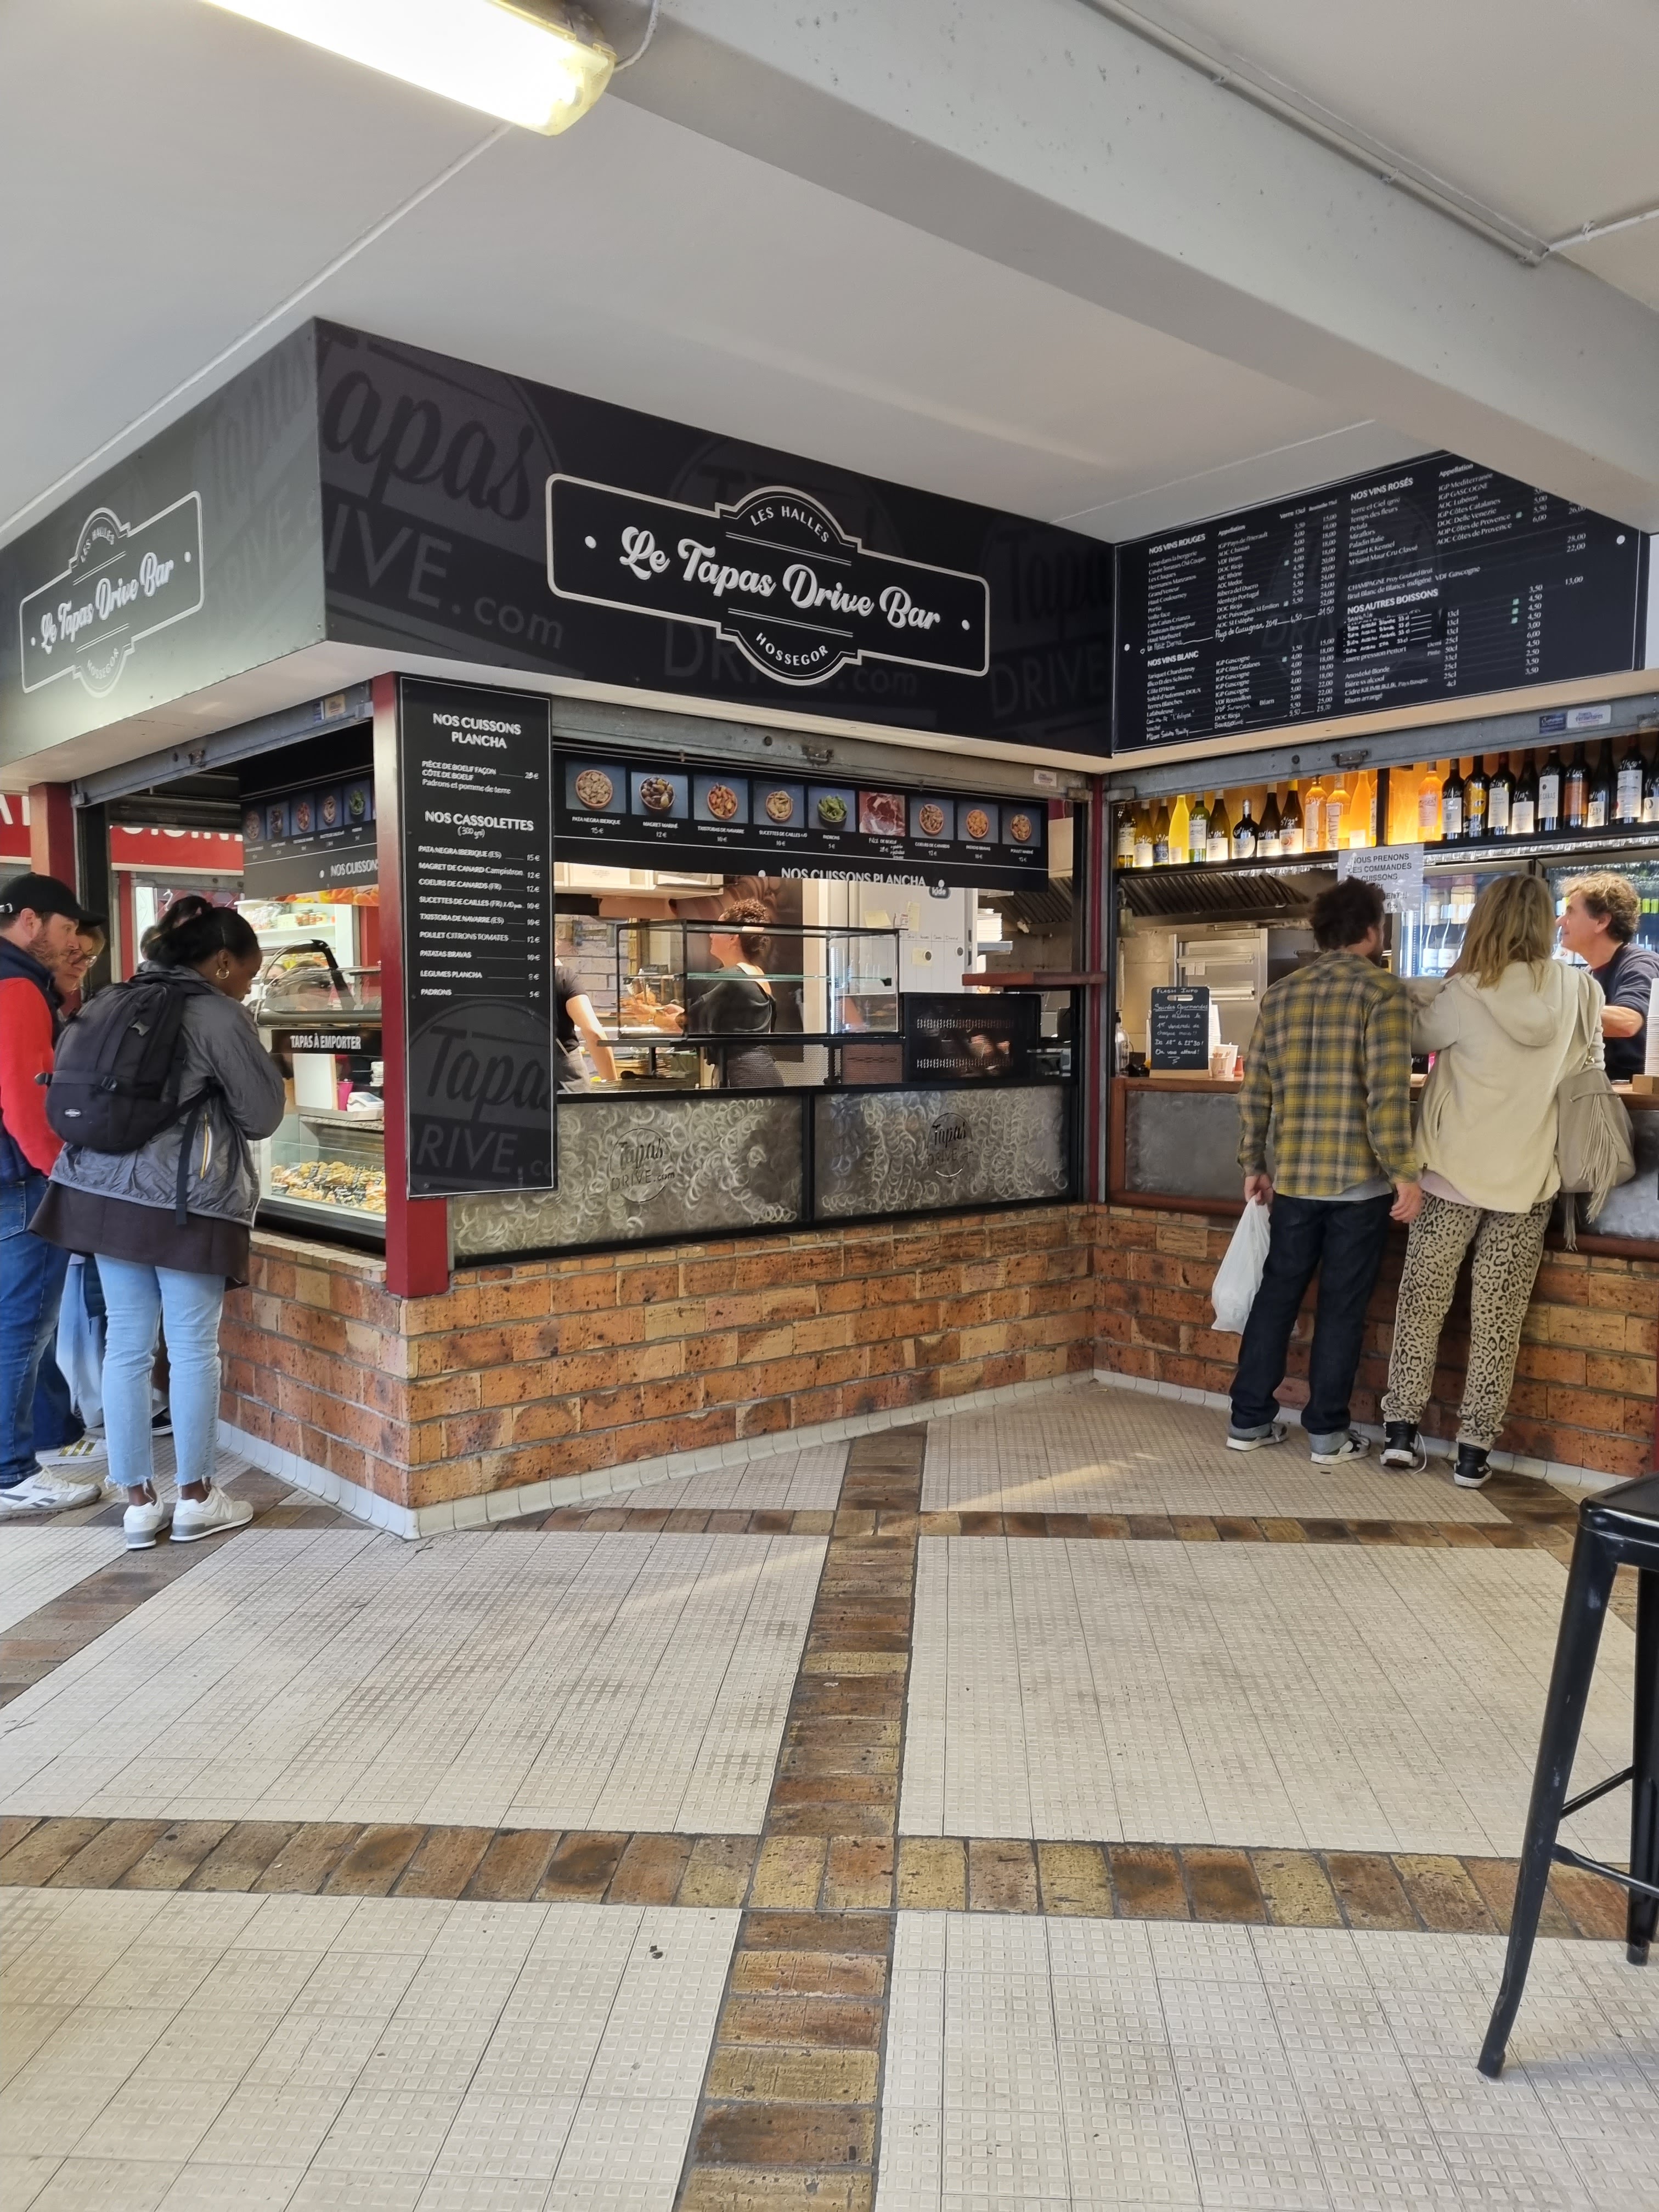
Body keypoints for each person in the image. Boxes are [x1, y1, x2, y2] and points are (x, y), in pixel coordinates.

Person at [32, 896, 286, 1547]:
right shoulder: (218, 1014)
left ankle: (139, 1505)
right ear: (222, 961)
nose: (247, 984)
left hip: (102, 1196)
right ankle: (197, 1497)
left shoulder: (113, 998)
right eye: (248, 972)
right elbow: (262, 1116)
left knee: (127, 1344)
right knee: (194, 1347)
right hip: (184, 1202)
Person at [1380, 876, 1601, 1489]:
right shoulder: (1581, 990)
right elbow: (1590, 1067)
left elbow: (1413, 1038)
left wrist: (1434, 985)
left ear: (1484, 920)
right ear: (1543, 922)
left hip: (1450, 1174)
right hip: (1529, 1180)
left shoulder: (1467, 989)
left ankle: (1400, 1433)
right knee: (1499, 1319)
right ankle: (1474, 1453)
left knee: (1422, 1305)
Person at [1228, 877, 1422, 1463]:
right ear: (1373, 931)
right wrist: (1404, 1172)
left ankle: (1248, 1421)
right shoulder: (1383, 993)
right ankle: (1327, 1434)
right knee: (1341, 1306)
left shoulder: (1281, 995)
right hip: (1358, 1184)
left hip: (1293, 1179)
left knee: (1276, 1296)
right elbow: (1386, 1096)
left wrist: (1253, 1161)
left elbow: (1255, 1088)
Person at [0, 873, 106, 1515]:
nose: (75, 944)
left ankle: (30, 1447)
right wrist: (61, 1177)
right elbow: (25, 1101)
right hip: (19, 1184)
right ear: (31, 921)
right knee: (23, 1327)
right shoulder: (17, 986)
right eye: (68, 928)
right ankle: (12, 1472)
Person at [1556, 872, 1659, 1081]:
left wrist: (1553, 1010)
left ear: (1601, 922)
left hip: (1638, 1098)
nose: (1560, 921)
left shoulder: (1640, 964)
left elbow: (1628, 1022)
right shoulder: (1589, 974)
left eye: (1571, 912)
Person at [700, 900, 781, 1088]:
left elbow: (692, 1021)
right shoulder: (757, 972)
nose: (711, 934)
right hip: (766, 1073)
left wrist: (658, 1017)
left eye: (717, 929)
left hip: (740, 1077)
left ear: (733, 938)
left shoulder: (730, 976)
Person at [554, 960, 618, 1089]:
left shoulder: (512, 978)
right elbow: (594, 1033)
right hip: (566, 1082)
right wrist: (612, 1087)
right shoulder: (563, 977)